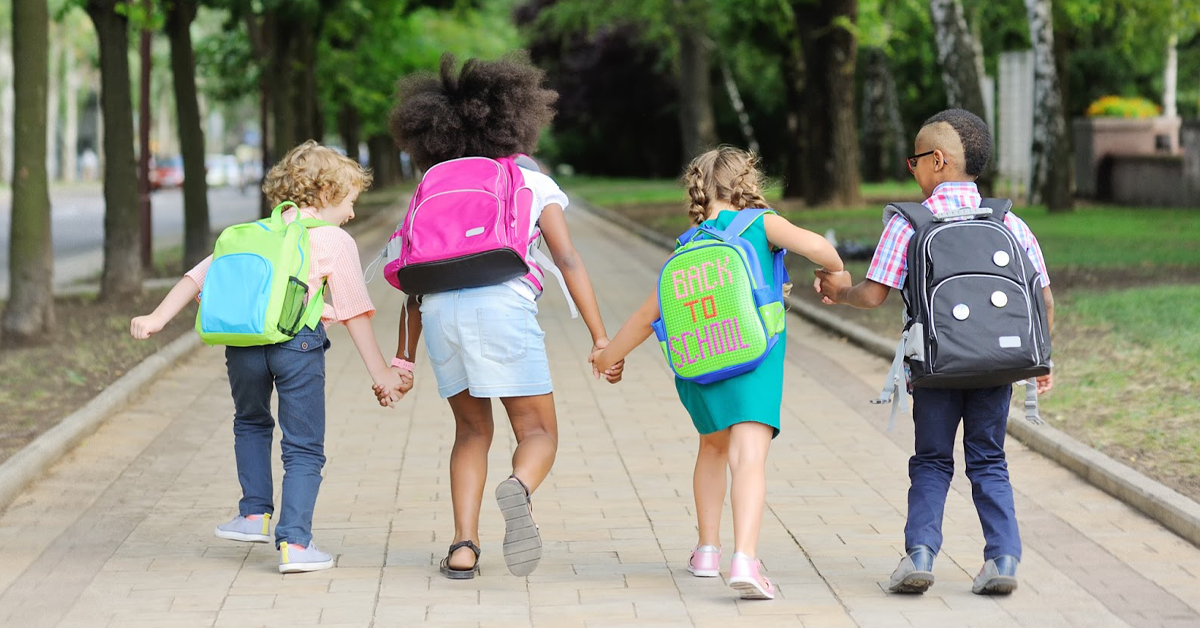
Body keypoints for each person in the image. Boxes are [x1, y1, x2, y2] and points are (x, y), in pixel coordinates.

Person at [374, 53, 620, 579]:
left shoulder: (433, 183)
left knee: (470, 431)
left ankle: (463, 546)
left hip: (441, 314)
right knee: (537, 434)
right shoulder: (529, 181)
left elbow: (414, 277)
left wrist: (403, 359)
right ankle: (519, 487)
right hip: (503, 306)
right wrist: (600, 338)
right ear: (517, 120)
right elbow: (568, 258)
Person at [131, 141, 405, 574]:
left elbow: (199, 274)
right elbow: (355, 311)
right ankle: (295, 543)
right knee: (303, 446)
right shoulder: (333, 239)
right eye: (350, 201)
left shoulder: (256, 231)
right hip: (296, 348)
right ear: (327, 193)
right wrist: (382, 374)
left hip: (242, 348)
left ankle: (253, 515)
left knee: (251, 423)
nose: (352, 213)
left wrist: (157, 318)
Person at [815, 109, 1055, 595]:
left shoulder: (909, 222)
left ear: (938, 161)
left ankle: (920, 555)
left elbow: (872, 294)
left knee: (931, 460)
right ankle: (1002, 560)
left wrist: (837, 292)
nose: (914, 170)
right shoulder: (1008, 220)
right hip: (998, 366)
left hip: (935, 365)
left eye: (915, 161)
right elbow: (1043, 298)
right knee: (988, 460)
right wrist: (1040, 361)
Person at [592, 146, 845, 600]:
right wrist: (835, 272)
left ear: (699, 191)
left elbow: (650, 313)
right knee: (748, 455)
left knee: (712, 447)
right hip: (755, 358)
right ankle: (745, 558)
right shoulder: (762, 223)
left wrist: (609, 355)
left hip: (701, 362)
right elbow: (819, 247)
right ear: (747, 183)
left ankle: (707, 551)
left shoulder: (688, 243)